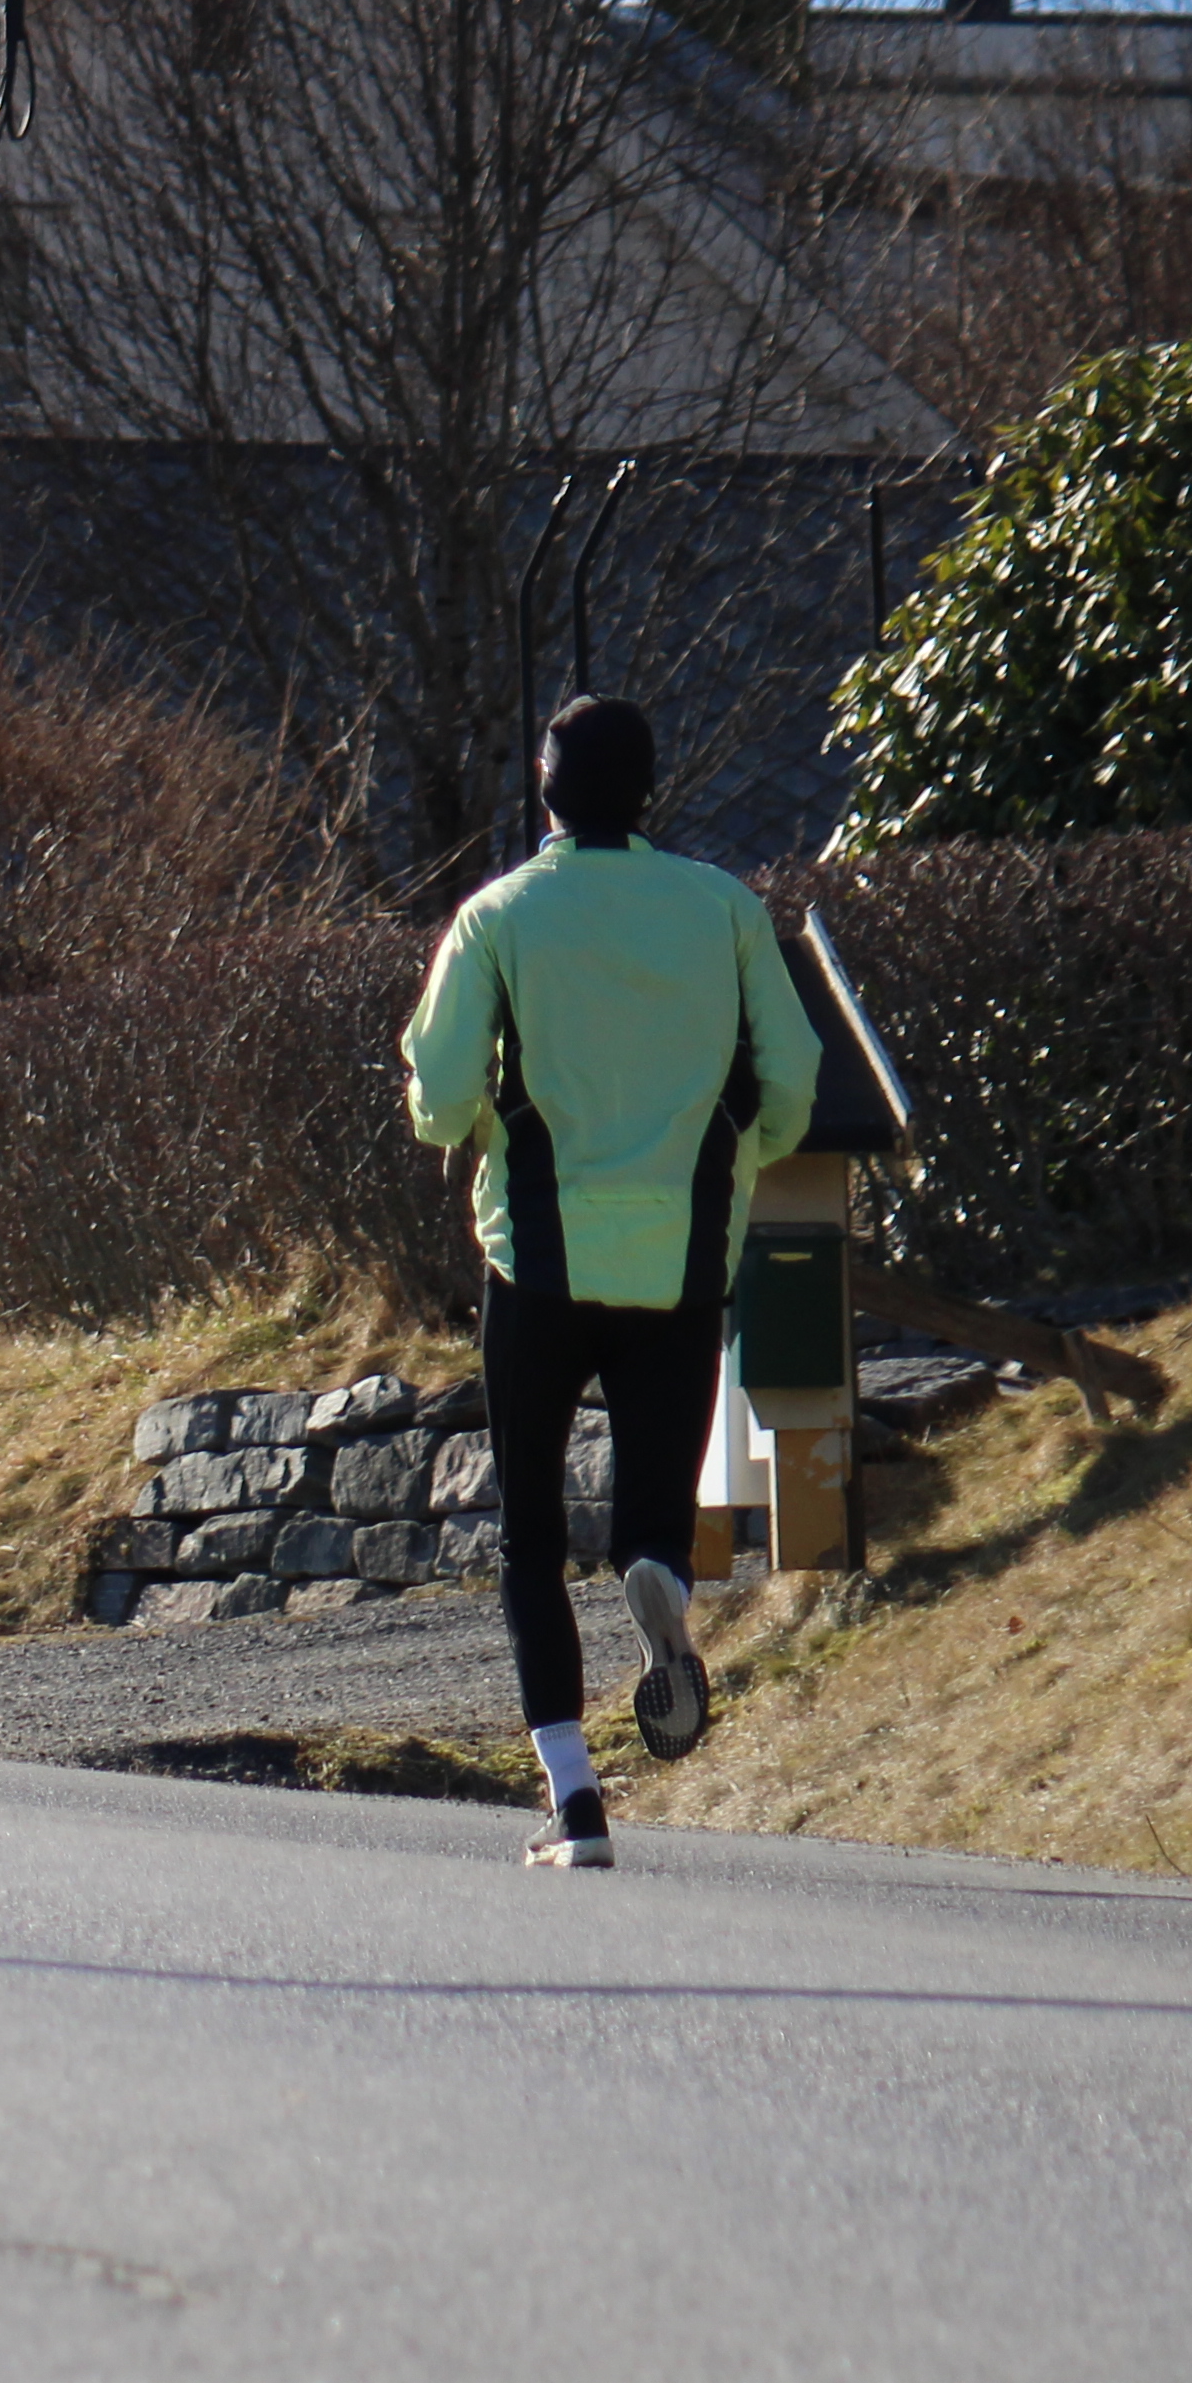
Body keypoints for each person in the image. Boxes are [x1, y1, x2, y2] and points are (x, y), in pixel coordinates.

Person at [401, 696, 819, 1872]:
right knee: (654, 1503)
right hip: (684, 1251)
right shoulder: (724, 908)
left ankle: (575, 1798)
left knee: (529, 1537)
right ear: (649, 789)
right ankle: (658, 1576)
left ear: (543, 789)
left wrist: (466, 1113)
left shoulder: (497, 916)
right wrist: (743, 1151)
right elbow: (792, 1074)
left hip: (538, 1259)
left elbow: (440, 1093)